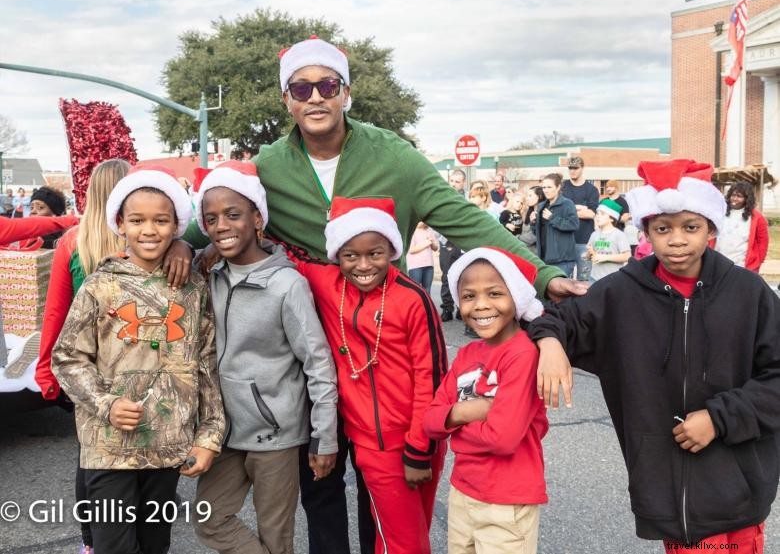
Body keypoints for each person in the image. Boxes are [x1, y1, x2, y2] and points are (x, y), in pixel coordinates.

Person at [185, 35, 584, 553]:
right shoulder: (268, 166)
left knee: (388, 486)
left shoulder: (395, 156)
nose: (314, 97)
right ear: (286, 99)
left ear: (345, 92)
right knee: (320, 484)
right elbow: (217, 215)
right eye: (300, 88)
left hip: (386, 345)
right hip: (309, 345)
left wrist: (542, 273)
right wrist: (175, 246)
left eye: (327, 84)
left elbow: (465, 221)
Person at [531, 159, 780, 552]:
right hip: (666, 489)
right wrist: (549, 342)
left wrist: (720, 417)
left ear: (711, 229)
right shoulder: (620, 292)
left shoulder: (748, 294)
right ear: (646, 230)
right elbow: (558, 319)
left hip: (737, 485)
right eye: (663, 228)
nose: (677, 240)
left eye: (690, 227)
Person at [51, 164, 225, 554]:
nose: (149, 230)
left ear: (177, 225)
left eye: (161, 220)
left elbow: (206, 364)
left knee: (155, 544)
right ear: (120, 224)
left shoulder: (193, 288)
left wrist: (209, 436)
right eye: (138, 220)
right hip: (108, 449)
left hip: (168, 447)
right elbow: (67, 358)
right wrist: (106, 404)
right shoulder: (101, 285)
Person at [192, 161, 338, 554]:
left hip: (275, 434)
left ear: (258, 218)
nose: (222, 225)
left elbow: (318, 365)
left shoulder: (286, 285)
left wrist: (324, 439)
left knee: (277, 537)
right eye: (211, 218)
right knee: (208, 519)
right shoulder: (207, 272)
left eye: (233, 214)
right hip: (223, 432)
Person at [288, 196, 448, 554]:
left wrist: (420, 450)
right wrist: (193, 250)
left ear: (391, 250)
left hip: (413, 440)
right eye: (350, 256)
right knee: (397, 539)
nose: (363, 265)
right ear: (336, 256)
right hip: (369, 444)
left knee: (405, 539)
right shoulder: (328, 283)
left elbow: (432, 378)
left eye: (375, 253)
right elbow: (281, 251)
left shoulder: (413, 298)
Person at [424, 247, 548, 554]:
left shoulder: (523, 355)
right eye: (468, 296)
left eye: (494, 293)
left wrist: (451, 425)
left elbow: (503, 439)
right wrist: (468, 411)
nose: (481, 306)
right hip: (463, 491)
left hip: (506, 500)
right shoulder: (467, 354)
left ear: (516, 296)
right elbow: (429, 421)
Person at [715, 181, 769, 272]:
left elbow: (763, 241)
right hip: (719, 262)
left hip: (742, 265)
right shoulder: (720, 212)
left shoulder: (757, 217)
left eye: (739, 196)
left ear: (747, 199)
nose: (734, 199)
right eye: (733, 195)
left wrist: (759, 260)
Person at [532, 173, 579, 277]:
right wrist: (533, 222)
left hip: (562, 262)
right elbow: (537, 233)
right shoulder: (541, 206)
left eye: (549, 187)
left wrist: (552, 218)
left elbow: (574, 225)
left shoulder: (567, 204)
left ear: (558, 187)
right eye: (544, 187)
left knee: (561, 292)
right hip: (544, 260)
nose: (546, 190)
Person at [561, 156, 599, 281]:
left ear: (582, 168)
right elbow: (558, 211)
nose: (572, 171)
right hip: (564, 239)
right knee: (565, 279)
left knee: (584, 278)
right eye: (570, 168)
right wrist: (579, 208)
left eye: (575, 168)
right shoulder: (562, 187)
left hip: (584, 240)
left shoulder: (591, 190)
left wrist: (569, 209)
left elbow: (591, 214)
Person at [439, 169, 466, 322]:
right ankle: (447, 308)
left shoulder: (468, 199)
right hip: (446, 242)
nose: (454, 184)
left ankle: (462, 308)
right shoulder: (442, 197)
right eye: (452, 181)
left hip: (463, 242)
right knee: (446, 276)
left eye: (457, 181)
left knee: (463, 277)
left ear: (463, 183)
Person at [585, 199, 630, 282]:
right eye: (597, 213)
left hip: (613, 279)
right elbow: (589, 256)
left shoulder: (619, 235)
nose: (598, 216)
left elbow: (627, 256)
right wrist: (588, 254)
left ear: (612, 218)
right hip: (594, 278)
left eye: (602, 214)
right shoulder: (594, 234)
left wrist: (604, 257)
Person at [406, 220, 439, 294]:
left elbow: (436, 248)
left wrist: (432, 242)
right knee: (415, 290)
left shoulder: (429, 230)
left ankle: (426, 305)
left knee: (427, 290)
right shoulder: (412, 230)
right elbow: (411, 250)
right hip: (415, 266)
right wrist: (426, 243)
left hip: (429, 264)